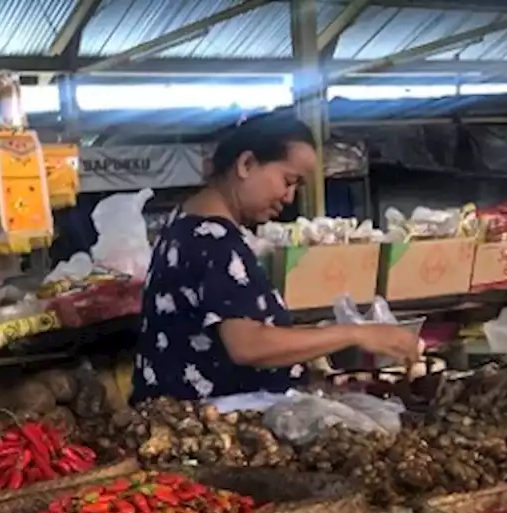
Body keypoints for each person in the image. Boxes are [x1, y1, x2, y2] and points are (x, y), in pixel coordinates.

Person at [131, 114, 420, 403]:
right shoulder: (213, 239)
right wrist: (355, 334)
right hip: (207, 424)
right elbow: (248, 345)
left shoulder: (188, 221)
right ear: (246, 164)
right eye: (288, 180)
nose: (289, 197)